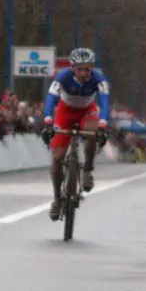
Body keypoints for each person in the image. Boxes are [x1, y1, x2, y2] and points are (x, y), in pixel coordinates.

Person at [41, 47, 110, 220]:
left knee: (93, 132)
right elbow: (50, 98)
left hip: (88, 111)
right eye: (80, 68)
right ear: (73, 68)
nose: (84, 72)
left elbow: (104, 101)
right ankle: (57, 199)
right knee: (57, 159)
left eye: (88, 68)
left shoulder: (99, 78)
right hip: (65, 112)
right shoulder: (63, 76)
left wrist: (103, 124)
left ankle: (87, 170)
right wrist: (48, 121)